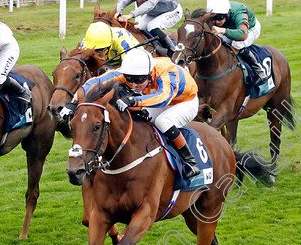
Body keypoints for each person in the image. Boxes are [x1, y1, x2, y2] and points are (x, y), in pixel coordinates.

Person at [65, 48, 202, 179]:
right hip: (155, 99)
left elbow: (163, 97)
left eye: (139, 80)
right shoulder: (129, 71)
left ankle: (190, 161)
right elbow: (95, 82)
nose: (134, 84)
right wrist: (74, 101)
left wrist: (133, 100)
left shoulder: (167, 72)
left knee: (163, 121)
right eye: (129, 79)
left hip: (184, 102)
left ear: (149, 73)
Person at [114, 0, 183, 57]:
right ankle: (154, 46)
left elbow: (149, 5)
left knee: (152, 25)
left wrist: (130, 15)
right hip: (154, 13)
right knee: (138, 27)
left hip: (173, 11)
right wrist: (117, 12)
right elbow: (123, 0)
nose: (139, 0)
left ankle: (173, 51)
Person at [205, 0, 267, 81]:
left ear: (227, 14)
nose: (216, 22)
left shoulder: (239, 12)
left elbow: (243, 35)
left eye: (219, 18)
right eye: (213, 18)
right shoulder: (215, 12)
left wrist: (223, 31)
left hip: (249, 29)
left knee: (237, 44)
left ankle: (259, 70)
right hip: (231, 28)